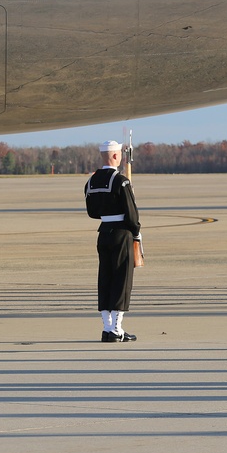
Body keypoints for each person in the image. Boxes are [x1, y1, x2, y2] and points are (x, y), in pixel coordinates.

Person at [84, 140, 141, 342]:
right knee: (121, 279)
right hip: (121, 233)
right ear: (116, 156)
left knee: (105, 278)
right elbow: (132, 214)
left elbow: (92, 212)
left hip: (103, 232)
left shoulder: (91, 181)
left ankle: (108, 327)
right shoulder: (121, 181)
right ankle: (116, 329)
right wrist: (136, 232)